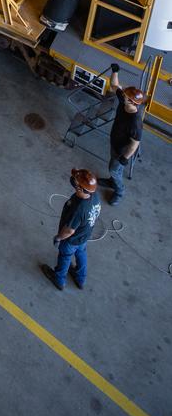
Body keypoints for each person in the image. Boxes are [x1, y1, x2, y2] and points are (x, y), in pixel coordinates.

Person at [41, 168, 101, 291]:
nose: (73, 181)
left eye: (76, 181)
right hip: (84, 237)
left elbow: (69, 231)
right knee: (81, 253)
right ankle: (80, 278)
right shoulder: (95, 196)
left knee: (65, 256)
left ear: (80, 188)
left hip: (71, 240)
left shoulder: (79, 209)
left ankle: (59, 279)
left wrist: (58, 237)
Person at [98, 63, 144, 206]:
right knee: (112, 166)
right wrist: (115, 71)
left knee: (115, 170)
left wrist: (125, 158)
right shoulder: (124, 103)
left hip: (123, 151)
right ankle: (112, 182)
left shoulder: (135, 122)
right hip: (115, 142)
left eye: (125, 95)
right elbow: (114, 86)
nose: (122, 94)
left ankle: (119, 192)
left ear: (131, 101)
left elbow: (135, 144)